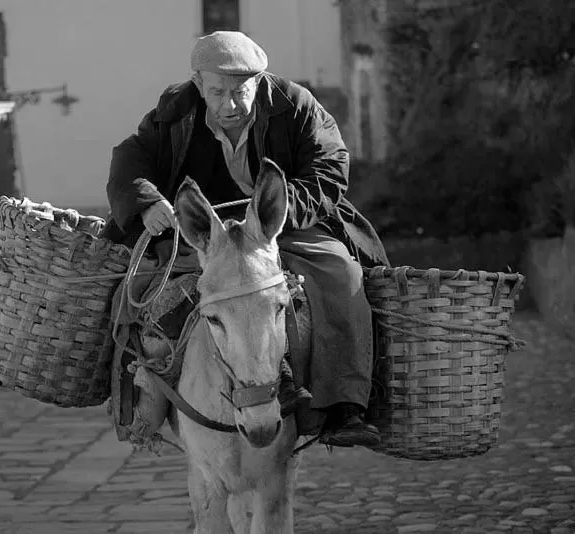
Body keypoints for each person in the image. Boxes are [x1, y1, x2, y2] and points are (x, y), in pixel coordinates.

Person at [105, 31, 389, 450]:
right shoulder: (174, 110)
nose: (228, 104)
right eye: (217, 92)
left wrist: (276, 214)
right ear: (199, 86)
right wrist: (147, 202)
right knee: (139, 289)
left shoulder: (296, 105)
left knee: (340, 272)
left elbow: (330, 167)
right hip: (206, 235)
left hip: (283, 226)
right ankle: (143, 399)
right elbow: (131, 159)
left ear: (260, 81)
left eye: (240, 91)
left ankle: (344, 405)